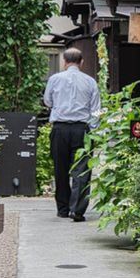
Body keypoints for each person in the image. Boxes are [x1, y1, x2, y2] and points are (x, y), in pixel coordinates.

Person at [43, 48, 100, 222]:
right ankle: (77, 210)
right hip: (82, 130)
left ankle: (63, 209)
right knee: (82, 171)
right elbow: (96, 109)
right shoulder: (90, 82)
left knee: (60, 169)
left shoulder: (54, 79)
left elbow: (47, 101)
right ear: (81, 62)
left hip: (59, 129)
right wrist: (92, 129)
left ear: (64, 62)